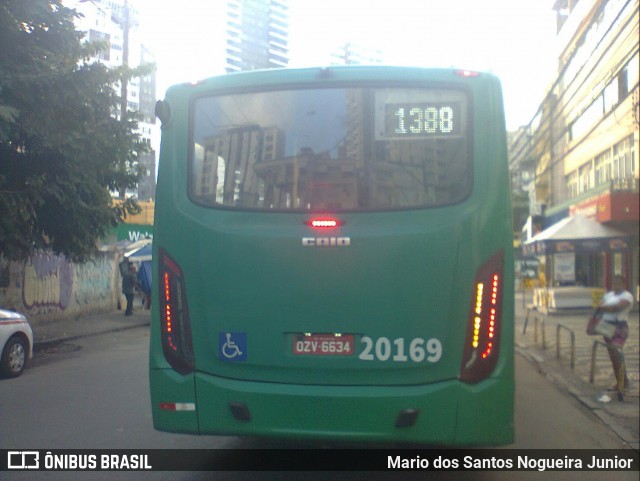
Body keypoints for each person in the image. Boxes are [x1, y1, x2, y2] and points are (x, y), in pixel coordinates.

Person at [599, 275, 634, 391]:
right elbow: (600, 305)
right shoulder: (609, 295)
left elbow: (617, 308)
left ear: (624, 284)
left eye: (618, 283)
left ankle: (623, 382)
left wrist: (605, 307)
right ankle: (620, 381)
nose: (616, 285)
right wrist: (606, 307)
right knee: (612, 355)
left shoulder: (627, 296)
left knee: (617, 353)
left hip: (620, 326)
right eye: (614, 283)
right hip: (606, 325)